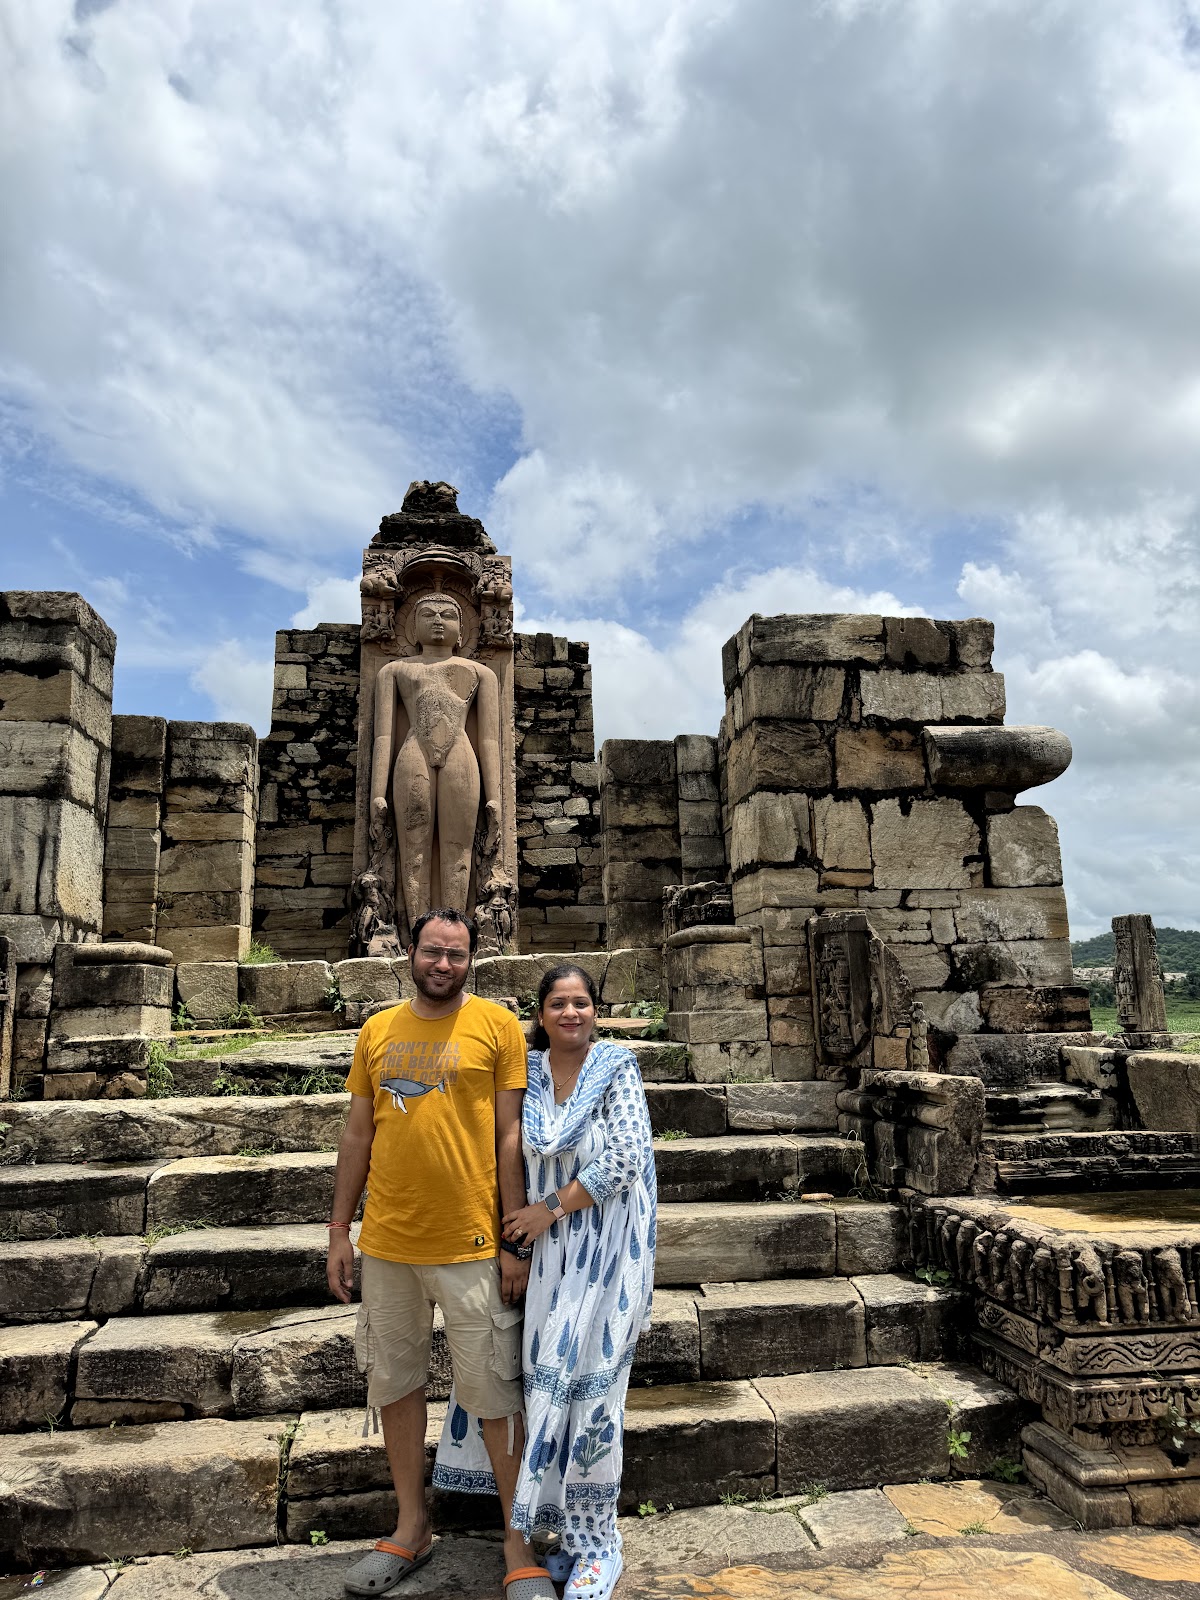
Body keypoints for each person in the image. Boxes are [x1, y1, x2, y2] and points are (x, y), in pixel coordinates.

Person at [327, 908, 551, 1599]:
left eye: (456, 954)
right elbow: (359, 1134)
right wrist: (341, 1229)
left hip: (472, 1243)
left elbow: (507, 1137)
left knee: (492, 1397)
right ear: (411, 953)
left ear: (471, 960)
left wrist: (514, 1238)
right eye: (433, 951)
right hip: (390, 1243)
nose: (443, 964)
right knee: (395, 1386)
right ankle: (411, 1525)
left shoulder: (497, 1028)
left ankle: (518, 1544)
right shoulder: (377, 1031)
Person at [432, 964, 656, 1600]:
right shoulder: (526, 1077)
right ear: (540, 1015)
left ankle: (598, 1545)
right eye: (558, 1003)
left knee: (595, 1394)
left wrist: (549, 1208)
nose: (570, 1013)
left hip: (606, 1253)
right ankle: (558, 1535)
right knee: (544, 1393)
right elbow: (504, 1150)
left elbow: (626, 1154)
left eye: (581, 1002)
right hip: (545, 1259)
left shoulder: (617, 1068)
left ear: (596, 1011)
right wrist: (519, 1238)